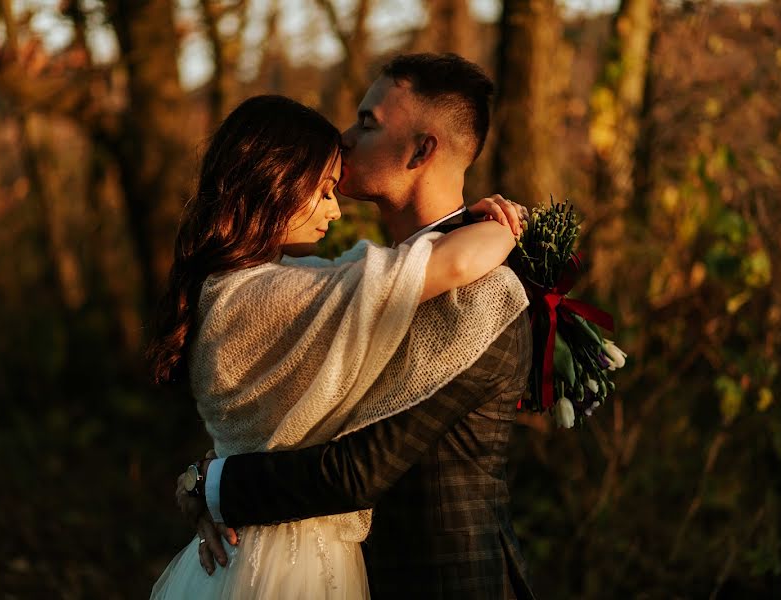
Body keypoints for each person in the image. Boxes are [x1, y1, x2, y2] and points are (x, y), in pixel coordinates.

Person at [181, 54, 538, 599]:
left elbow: (357, 469)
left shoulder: (483, 295)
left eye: (368, 123)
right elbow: (292, 416)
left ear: (422, 150)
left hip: (446, 584)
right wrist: (205, 476)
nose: (344, 140)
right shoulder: (354, 279)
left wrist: (218, 488)